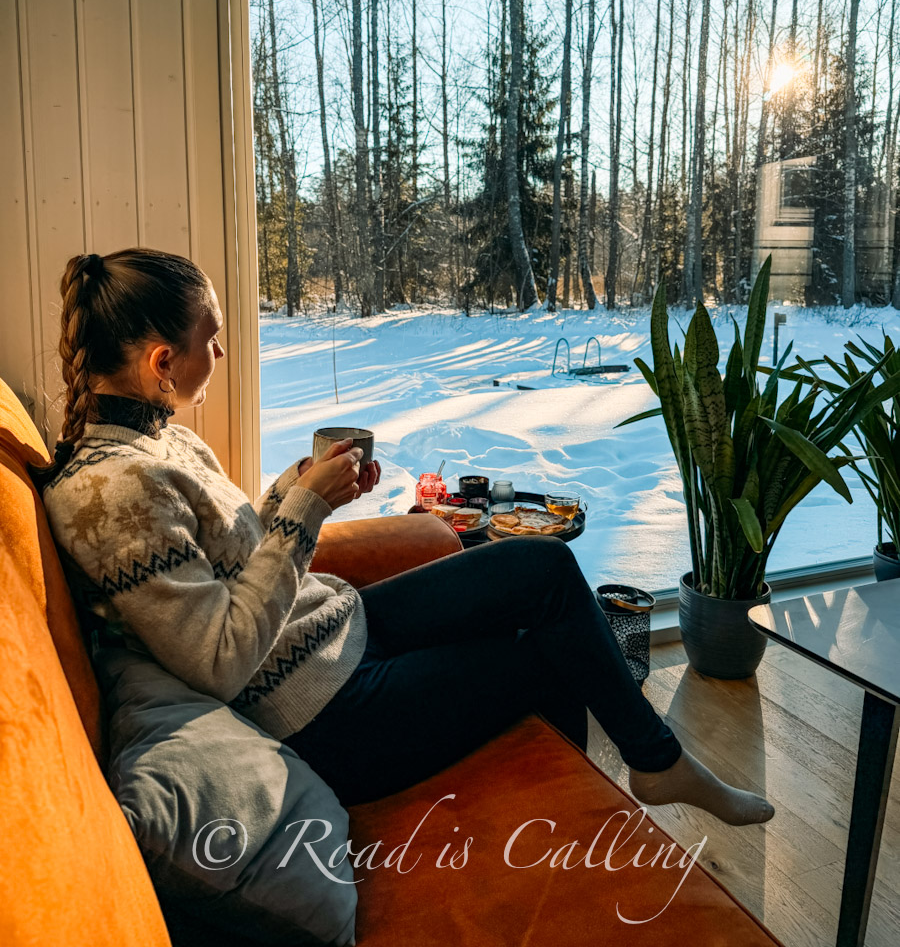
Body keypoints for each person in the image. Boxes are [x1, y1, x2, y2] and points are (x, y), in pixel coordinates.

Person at [34, 248, 775, 826]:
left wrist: (296, 489)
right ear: (162, 362)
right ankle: (585, 835)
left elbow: (231, 553)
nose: (220, 356)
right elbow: (220, 661)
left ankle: (654, 760)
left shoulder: (163, 443)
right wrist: (303, 514)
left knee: (540, 570)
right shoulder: (112, 493)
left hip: (333, 633)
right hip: (321, 715)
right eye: (212, 340)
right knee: (546, 662)